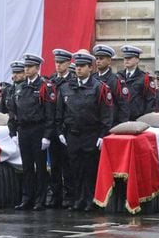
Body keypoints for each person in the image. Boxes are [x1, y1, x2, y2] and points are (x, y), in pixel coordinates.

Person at [56, 52, 113, 212]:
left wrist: (103, 135)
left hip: (91, 134)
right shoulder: (66, 87)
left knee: (89, 169)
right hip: (72, 134)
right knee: (75, 168)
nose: (79, 69)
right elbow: (60, 112)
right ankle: (77, 199)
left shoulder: (99, 87)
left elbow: (106, 114)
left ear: (90, 67)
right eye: (77, 66)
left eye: (82, 66)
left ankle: (90, 200)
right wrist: (60, 131)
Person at [9, 53, 56, 211]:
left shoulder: (44, 86)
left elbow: (50, 113)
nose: (27, 69)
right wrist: (13, 131)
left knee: (40, 167)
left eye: (30, 67)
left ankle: (40, 199)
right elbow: (14, 111)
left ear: (37, 68)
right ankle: (27, 198)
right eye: (26, 67)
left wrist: (47, 135)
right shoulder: (20, 87)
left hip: (38, 129)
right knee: (27, 166)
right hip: (24, 129)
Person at [46, 49, 74, 208]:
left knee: (68, 166)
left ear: (68, 64)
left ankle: (69, 196)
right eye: (56, 62)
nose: (58, 65)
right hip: (53, 129)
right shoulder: (51, 81)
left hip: (66, 128)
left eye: (61, 63)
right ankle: (56, 196)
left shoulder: (72, 81)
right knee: (54, 165)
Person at [93, 44, 129, 126]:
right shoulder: (92, 78)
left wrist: (121, 125)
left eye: (101, 59)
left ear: (109, 61)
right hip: (94, 124)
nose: (98, 61)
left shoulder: (116, 80)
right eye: (97, 58)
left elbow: (123, 105)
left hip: (111, 124)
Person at [117, 45, 155, 120]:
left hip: (138, 118)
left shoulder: (145, 78)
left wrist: (145, 119)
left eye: (129, 58)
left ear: (137, 60)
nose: (126, 60)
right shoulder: (119, 76)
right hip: (120, 119)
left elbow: (150, 101)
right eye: (125, 58)